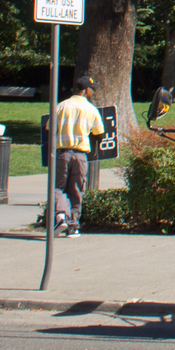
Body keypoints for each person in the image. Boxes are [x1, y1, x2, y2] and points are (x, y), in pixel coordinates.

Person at [50, 75, 106, 236]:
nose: (93, 92)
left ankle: (61, 216)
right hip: (81, 155)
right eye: (92, 89)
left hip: (62, 153)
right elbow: (100, 134)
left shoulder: (61, 106)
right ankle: (73, 226)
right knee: (77, 190)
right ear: (87, 90)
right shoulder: (91, 109)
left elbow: (49, 127)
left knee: (58, 187)